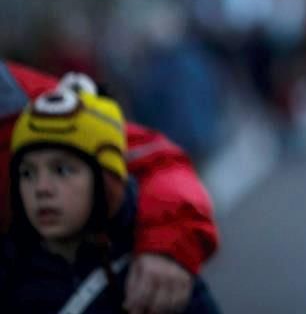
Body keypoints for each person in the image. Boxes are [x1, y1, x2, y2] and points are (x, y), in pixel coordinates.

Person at [0, 61, 218, 313]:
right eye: (27, 173)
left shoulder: (19, 98)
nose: (42, 188)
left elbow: (156, 160)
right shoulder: (22, 285)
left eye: (62, 170)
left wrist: (167, 245)